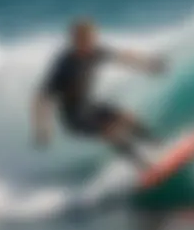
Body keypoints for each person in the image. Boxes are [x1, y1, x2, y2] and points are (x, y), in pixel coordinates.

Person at [31, 18, 167, 170]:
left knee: (127, 117)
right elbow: (41, 98)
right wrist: (41, 128)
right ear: (76, 41)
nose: (92, 43)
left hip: (90, 106)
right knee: (110, 131)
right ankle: (144, 166)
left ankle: (158, 145)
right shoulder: (64, 65)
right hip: (74, 118)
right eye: (87, 40)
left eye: (93, 38)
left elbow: (123, 57)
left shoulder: (96, 52)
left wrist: (149, 64)